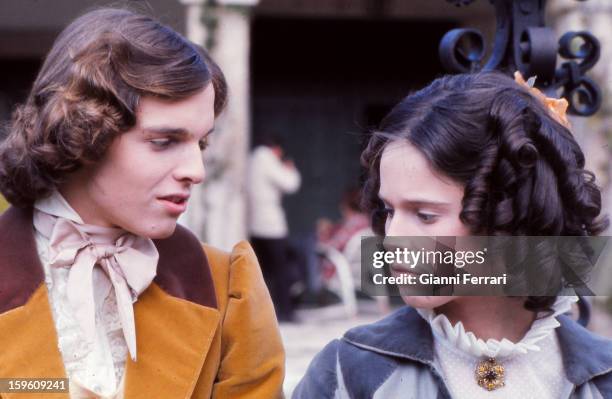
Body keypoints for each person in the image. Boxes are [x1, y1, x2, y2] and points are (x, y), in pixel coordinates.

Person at [0, 8, 284, 398]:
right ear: (82, 130)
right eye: (164, 141)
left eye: (200, 143)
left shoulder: (227, 287)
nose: (196, 170)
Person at [294, 72, 612, 398]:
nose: (393, 237)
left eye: (425, 215)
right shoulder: (348, 371)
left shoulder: (604, 378)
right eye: (388, 210)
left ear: (510, 213)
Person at [247, 136, 301, 322]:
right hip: (271, 226)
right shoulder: (265, 158)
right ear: (276, 149)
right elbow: (291, 184)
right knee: (282, 270)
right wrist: (290, 169)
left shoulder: (252, 160)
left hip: (255, 225)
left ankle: (263, 311)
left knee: (263, 271)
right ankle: (286, 311)